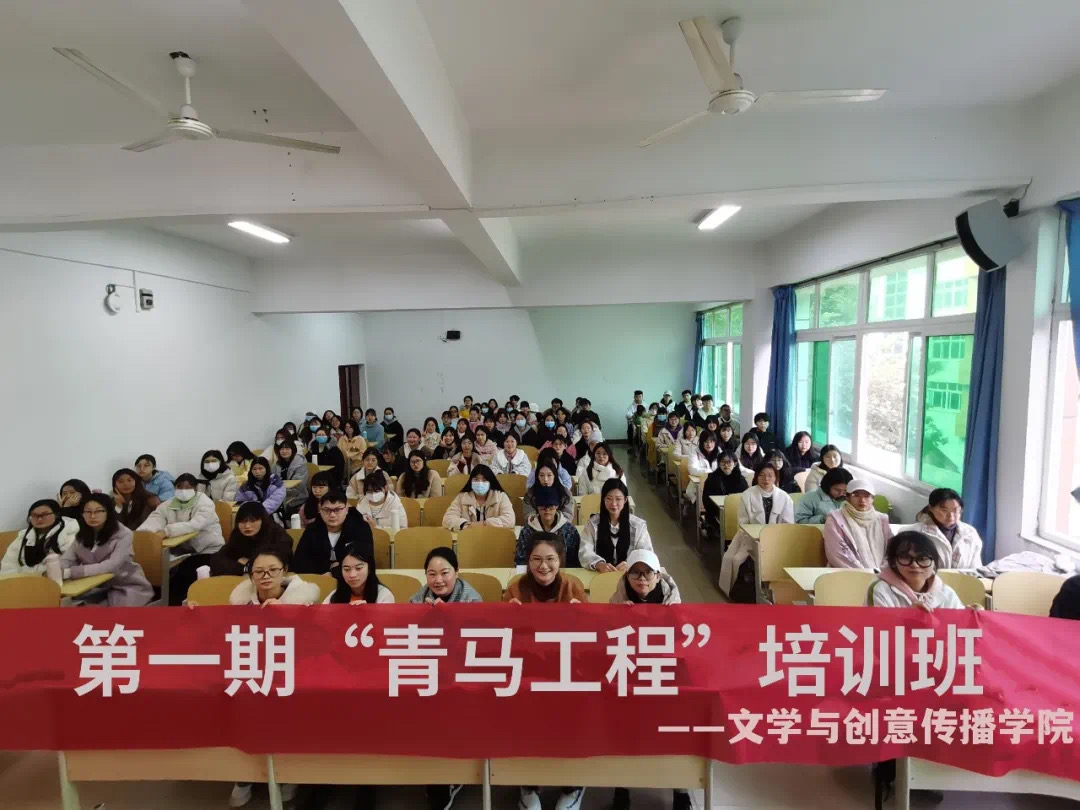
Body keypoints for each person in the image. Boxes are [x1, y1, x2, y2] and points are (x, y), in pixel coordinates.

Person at [138, 473, 225, 604]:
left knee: (184, 572)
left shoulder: (205, 503)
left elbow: (195, 524)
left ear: (196, 488)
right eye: (179, 486)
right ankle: (158, 601)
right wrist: (143, 534)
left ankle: (174, 605)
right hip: (181, 551)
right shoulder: (169, 504)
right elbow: (156, 518)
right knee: (156, 568)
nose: (183, 490)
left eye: (188, 487)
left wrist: (167, 531)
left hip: (208, 549)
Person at [62, 493, 153, 605]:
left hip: (125, 585)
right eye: (88, 512)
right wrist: (58, 570)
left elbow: (111, 565)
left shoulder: (124, 534)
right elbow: (67, 559)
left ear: (109, 512)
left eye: (99, 511)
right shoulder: (81, 534)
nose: (93, 516)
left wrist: (72, 572)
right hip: (95, 585)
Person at [867, 531, 964, 610]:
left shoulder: (947, 593)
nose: (914, 565)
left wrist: (969, 618)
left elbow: (958, 625)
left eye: (922, 559)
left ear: (934, 563)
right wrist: (908, 616)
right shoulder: (880, 589)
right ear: (893, 562)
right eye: (906, 557)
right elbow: (878, 626)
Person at [293, 489, 374, 575]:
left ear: (346, 510)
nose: (332, 515)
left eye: (338, 510)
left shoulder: (360, 528)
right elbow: (299, 564)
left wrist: (334, 572)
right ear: (320, 510)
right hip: (319, 578)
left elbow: (364, 562)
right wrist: (330, 567)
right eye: (327, 510)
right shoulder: (312, 529)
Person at [580, 479, 653, 572]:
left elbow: (647, 554)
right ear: (603, 499)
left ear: (625, 500)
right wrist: (598, 564)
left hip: (631, 575)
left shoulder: (638, 526)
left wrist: (631, 564)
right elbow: (584, 550)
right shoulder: (593, 523)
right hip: (600, 574)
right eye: (609, 498)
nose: (613, 504)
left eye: (618, 499)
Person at [824, 478, 893, 569]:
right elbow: (838, 554)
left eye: (867, 496)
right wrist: (865, 573)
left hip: (882, 573)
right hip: (848, 573)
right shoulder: (835, 519)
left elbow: (892, 550)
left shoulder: (882, 519)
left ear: (873, 499)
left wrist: (882, 571)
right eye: (856, 495)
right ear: (847, 497)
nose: (862, 500)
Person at [209, 502, 292, 577]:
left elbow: (275, 564)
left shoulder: (277, 535)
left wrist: (247, 564)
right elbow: (217, 560)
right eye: (243, 521)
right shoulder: (238, 534)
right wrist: (243, 568)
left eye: (253, 520)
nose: (247, 526)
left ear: (263, 520)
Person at [0, 499, 78, 575]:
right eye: (34, 515)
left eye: (44, 515)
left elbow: (67, 563)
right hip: (27, 579)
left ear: (56, 515)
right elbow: (8, 565)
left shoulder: (70, 531)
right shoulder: (23, 536)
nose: (39, 519)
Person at [506, 533, 587, 606]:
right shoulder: (515, 590)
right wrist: (508, 611)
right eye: (537, 559)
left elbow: (588, 616)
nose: (543, 566)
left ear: (560, 560)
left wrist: (581, 612)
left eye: (550, 559)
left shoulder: (573, 588)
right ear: (529, 561)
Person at [914, 488, 984, 569]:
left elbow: (976, 567)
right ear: (931, 508)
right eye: (944, 510)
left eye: (955, 510)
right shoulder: (918, 533)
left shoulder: (970, 533)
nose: (951, 516)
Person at [228, 546, 319, 606]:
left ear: (284, 570)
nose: (266, 576)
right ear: (251, 575)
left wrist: (286, 612)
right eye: (259, 571)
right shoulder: (242, 602)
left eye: (273, 570)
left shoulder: (303, 601)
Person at [516, 486, 581, 566]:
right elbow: (520, 560)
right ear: (537, 507)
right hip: (535, 571)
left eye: (551, 506)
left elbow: (575, 560)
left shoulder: (569, 530)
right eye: (542, 506)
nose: (547, 510)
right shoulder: (527, 531)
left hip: (563, 571)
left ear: (557, 506)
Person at [443, 466, 515, 530]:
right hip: (468, 537)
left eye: (484, 480)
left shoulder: (501, 496)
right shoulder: (461, 497)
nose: (480, 483)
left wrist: (484, 524)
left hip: (494, 537)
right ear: (471, 481)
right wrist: (467, 525)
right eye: (476, 479)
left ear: (490, 482)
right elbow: (447, 519)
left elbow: (510, 520)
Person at [324, 542, 393, 604]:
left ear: (369, 568)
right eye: (347, 569)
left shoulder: (383, 595)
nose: (352, 575)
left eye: (358, 568)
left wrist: (366, 611)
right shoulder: (335, 595)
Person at [409, 547, 483, 603]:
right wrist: (423, 612)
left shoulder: (472, 600)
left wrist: (446, 612)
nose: (438, 580)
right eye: (432, 574)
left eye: (444, 573)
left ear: (456, 572)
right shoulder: (419, 599)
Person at [702, 452, 748, 526]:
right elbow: (706, 500)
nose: (726, 465)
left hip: (736, 513)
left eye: (729, 462)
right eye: (723, 462)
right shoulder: (712, 478)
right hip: (715, 513)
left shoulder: (741, 480)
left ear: (735, 464)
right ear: (719, 463)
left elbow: (746, 499)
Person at [524, 458, 576, 523]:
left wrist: (552, 523)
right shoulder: (530, 494)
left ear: (555, 476)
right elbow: (528, 516)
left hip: (560, 527)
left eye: (549, 475)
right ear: (537, 477)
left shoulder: (566, 494)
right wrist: (544, 523)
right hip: (536, 527)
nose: (545, 479)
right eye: (541, 475)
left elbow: (567, 516)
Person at [271, 440, 309, 516]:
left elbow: (299, 485)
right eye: (282, 449)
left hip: (297, 496)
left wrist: (280, 492)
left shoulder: (300, 463)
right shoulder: (276, 465)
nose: (284, 451)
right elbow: (272, 481)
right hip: (280, 495)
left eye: (287, 449)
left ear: (293, 450)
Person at [686, 430, 721, 502]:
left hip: (717, 485)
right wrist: (708, 472)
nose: (709, 444)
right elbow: (692, 469)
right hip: (699, 485)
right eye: (706, 442)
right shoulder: (695, 452)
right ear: (701, 442)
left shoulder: (719, 452)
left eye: (712, 442)